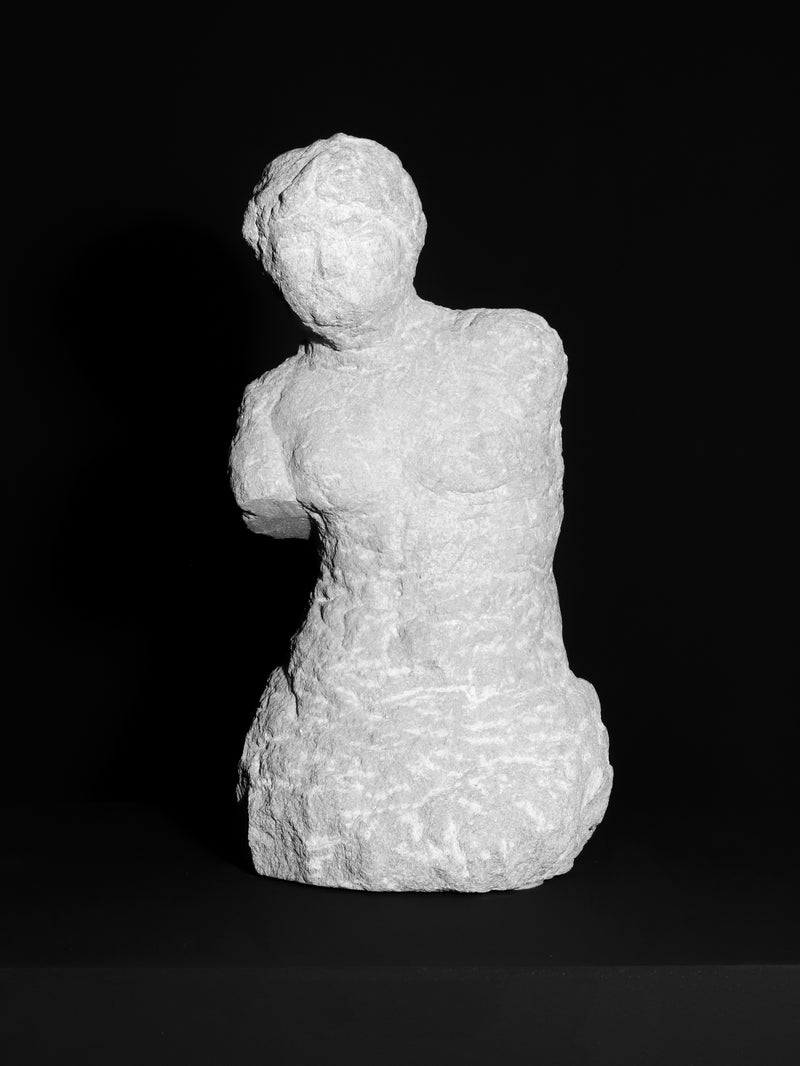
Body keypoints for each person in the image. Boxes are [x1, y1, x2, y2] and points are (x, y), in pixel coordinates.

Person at [230, 133, 611, 892]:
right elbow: (265, 504)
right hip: (337, 716)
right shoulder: (273, 403)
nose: (325, 263)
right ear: (268, 260)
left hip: (500, 713)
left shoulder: (506, 348)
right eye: (297, 242)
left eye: (350, 227)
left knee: (507, 828)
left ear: (410, 231)